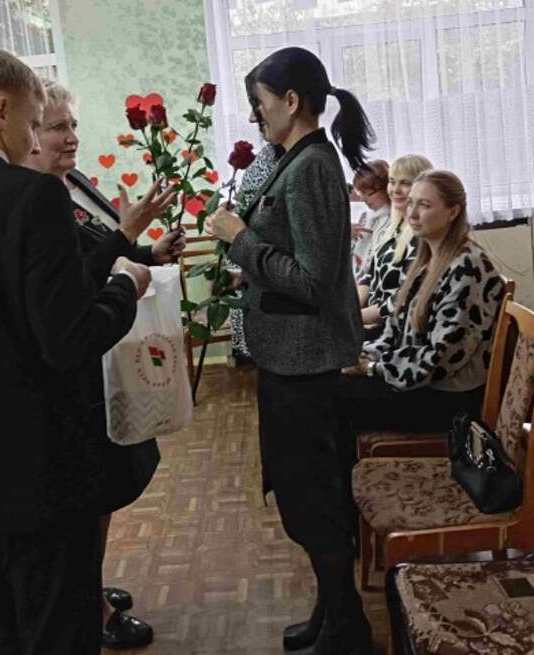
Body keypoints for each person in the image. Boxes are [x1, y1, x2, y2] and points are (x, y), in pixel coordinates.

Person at [0, 47, 152, 655]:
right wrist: (124, 288)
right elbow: (69, 342)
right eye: (34, 120)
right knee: (57, 634)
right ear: (1, 111)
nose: (32, 136)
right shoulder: (30, 197)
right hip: (38, 470)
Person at [206, 47, 374, 655]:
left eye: (259, 104)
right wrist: (248, 262)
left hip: (305, 361)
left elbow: (312, 281)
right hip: (286, 357)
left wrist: (241, 240)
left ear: (292, 102)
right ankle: (332, 611)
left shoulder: (311, 169)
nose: (256, 116)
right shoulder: (292, 161)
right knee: (304, 497)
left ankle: (348, 629)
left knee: (312, 501)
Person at [24, 78, 182, 650]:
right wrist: (127, 233)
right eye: (56, 127)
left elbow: (102, 249)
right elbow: (73, 282)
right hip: (73, 373)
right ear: (27, 133)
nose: (71, 137)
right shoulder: (29, 201)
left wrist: (146, 251)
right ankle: (88, 606)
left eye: (73, 125)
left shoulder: (74, 183)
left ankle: (88, 587)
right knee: (85, 499)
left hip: (104, 358)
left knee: (103, 493)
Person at [338, 168, 503, 444]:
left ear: (453, 212)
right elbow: (393, 332)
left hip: (450, 401)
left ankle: (341, 472)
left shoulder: (467, 266)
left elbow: (441, 359)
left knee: (328, 397)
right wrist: (361, 357)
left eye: (424, 205)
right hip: (418, 381)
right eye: (410, 203)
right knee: (326, 380)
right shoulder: (426, 258)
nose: (411, 213)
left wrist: (371, 369)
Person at [357, 155, 432, 338]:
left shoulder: (423, 237)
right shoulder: (393, 227)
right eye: (392, 182)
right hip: (373, 321)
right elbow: (369, 276)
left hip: (394, 330)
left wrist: (352, 318)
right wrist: (350, 309)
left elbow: (402, 300)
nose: (395, 190)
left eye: (405, 183)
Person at [227, 143, 281, 366]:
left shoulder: (268, 159)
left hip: (246, 246)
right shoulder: (274, 161)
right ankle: (250, 350)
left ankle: (247, 350)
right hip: (251, 246)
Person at [350, 159, 390, 279]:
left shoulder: (394, 220)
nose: (363, 199)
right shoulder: (365, 217)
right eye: (361, 193)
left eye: (369, 193)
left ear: (386, 189)